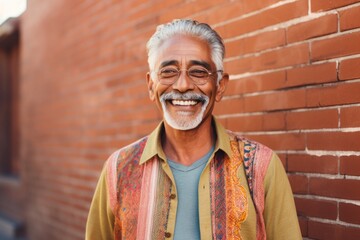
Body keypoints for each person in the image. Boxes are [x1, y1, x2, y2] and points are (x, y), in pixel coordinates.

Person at [86, 19, 302, 240]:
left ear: (220, 86)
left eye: (198, 72)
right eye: (168, 72)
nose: (182, 85)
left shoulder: (261, 168)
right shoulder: (118, 169)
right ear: (151, 86)